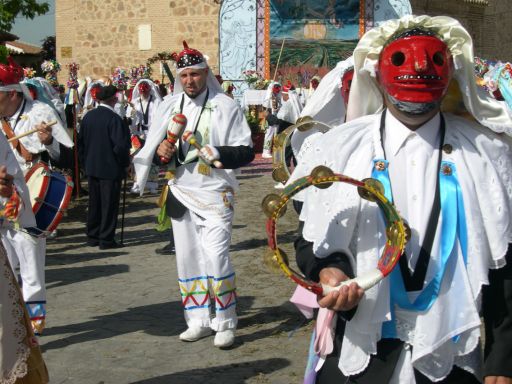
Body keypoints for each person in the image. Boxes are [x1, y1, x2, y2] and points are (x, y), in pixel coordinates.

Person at [288, 15, 512, 383]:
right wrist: (328, 270)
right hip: (360, 349)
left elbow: (505, 261)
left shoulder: (487, 153)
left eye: (433, 62)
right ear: (376, 73)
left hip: (452, 353)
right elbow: (310, 238)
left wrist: (503, 359)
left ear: (451, 71)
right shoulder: (338, 149)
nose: (420, 69)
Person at [134, 41, 254, 348]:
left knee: (216, 256)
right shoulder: (170, 106)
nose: (190, 81)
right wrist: (163, 152)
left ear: (206, 73)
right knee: (188, 258)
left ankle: (226, 320)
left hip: (215, 193)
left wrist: (219, 152)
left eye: (195, 74)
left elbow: (246, 150)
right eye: (184, 75)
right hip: (181, 190)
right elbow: (159, 150)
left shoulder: (226, 105)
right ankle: (198, 319)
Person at [0, 56, 73, 335]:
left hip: (30, 194)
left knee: (30, 261)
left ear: (11, 94)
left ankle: (34, 322)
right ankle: (12, 316)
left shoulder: (40, 112)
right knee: (7, 262)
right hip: (2, 197)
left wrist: (49, 141)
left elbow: (66, 155)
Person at [0, 132, 49, 383]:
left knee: (32, 273)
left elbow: (13, 184)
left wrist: (8, 193)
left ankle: (37, 323)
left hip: (18, 215)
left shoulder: (37, 111)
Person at [78, 85, 131, 250]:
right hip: (110, 168)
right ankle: (106, 238)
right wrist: (125, 164)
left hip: (92, 167)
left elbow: (81, 144)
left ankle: (93, 235)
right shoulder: (114, 119)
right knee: (109, 204)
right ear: (113, 99)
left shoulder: (88, 117)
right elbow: (121, 147)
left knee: (95, 203)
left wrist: (84, 163)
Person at [127, 79, 163, 194]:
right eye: (142, 93)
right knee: (138, 158)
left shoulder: (156, 102)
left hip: (152, 134)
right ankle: (137, 183)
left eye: (146, 93)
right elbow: (130, 118)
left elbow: (159, 118)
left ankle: (152, 184)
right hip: (138, 134)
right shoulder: (135, 102)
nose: (144, 95)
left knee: (152, 159)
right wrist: (132, 115)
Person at [261, 81, 282, 158]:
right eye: (276, 88)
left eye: (278, 88)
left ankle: (277, 151)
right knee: (269, 135)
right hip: (270, 119)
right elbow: (265, 108)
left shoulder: (278, 97)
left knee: (277, 134)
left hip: (277, 118)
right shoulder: (268, 98)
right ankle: (266, 151)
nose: (277, 89)